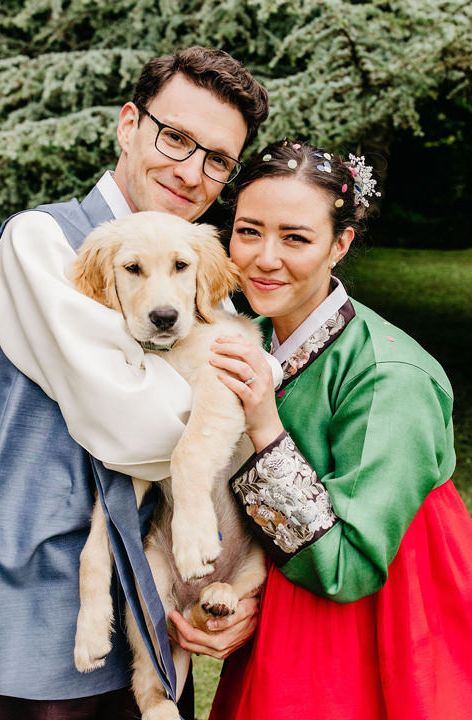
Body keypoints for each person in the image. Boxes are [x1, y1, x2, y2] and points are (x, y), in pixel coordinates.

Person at [0, 46, 270, 720]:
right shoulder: (42, 242)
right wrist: (220, 413)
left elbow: (236, 455)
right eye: (174, 137)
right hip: (45, 606)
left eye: (217, 159)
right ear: (128, 125)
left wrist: (241, 589)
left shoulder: (200, 280)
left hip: (155, 611)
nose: (190, 171)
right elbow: (135, 428)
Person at [201, 140, 472, 720]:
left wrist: (264, 423)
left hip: (374, 618)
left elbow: (348, 564)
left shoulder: (390, 376)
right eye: (249, 231)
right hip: (285, 592)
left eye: (295, 237)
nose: (264, 258)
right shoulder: (252, 335)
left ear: (340, 243)